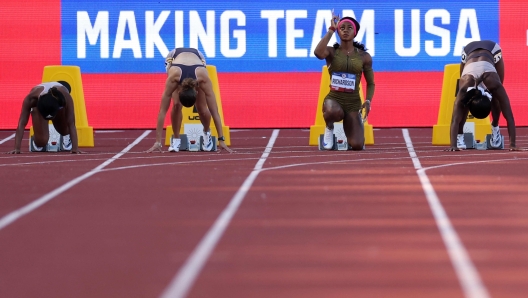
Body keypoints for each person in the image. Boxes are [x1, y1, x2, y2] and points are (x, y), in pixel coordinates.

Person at [146, 47, 232, 153]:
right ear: (178, 90)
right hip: (174, 57)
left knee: (202, 108)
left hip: (198, 57)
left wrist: (221, 140)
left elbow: (215, 111)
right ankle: (176, 140)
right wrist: (157, 142)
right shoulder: (173, 78)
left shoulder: (203, 78)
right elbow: (162, 112)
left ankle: (206, 133)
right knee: (176, 105)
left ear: (196, 90)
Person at [447, 40, 526, 151]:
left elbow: (508, 115)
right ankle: (460, 136)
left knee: (497, 98)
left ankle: (495, 127)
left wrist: (513, 144)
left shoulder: (494, 83)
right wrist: (453, 145)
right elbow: (455, 119)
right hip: (470, 51)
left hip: (492, 50)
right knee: (463, 102)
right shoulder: (465, 87)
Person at [313, 13, 375, 150]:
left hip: (353, 103)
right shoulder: (331, 52)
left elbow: (371, 83)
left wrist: (369, 100)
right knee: (333, 111)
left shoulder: (364, 57)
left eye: (349, 28)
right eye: (342, 28)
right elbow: (317, 53)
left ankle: (351, 130)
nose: (345, 30)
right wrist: (331, 29)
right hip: (334, 99)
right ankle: (329, 128)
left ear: (355, 33)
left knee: (358, 145)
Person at [6, 81, 82, 154]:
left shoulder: (65, 97)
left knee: (66, 131)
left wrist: (75, 148)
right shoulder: (31, 99)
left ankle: (67, 139)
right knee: (41, 141)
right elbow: (21, 124)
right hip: (40, 107)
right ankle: (36, 138)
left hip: (58, 106)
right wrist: (17, 148)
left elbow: (71, 123)